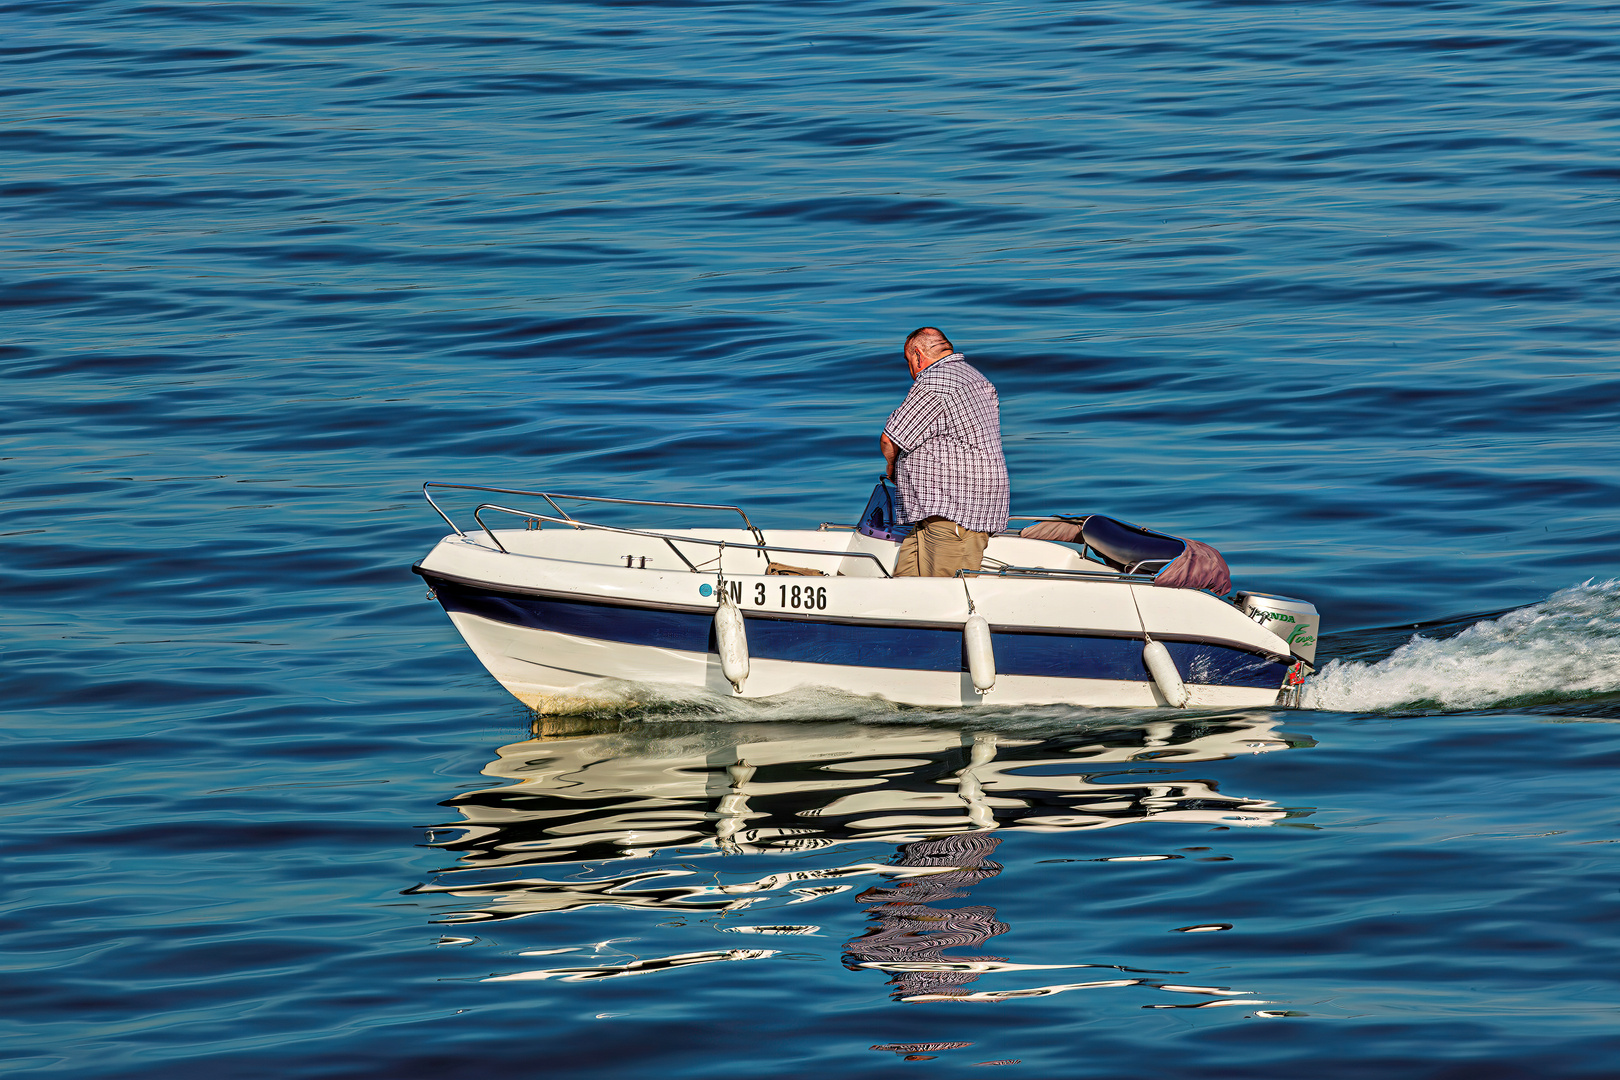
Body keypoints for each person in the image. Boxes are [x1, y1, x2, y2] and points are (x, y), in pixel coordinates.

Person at [880, 327, 1009, 578]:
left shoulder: (936, 380)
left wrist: (892, 467)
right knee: (904, 586)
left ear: (917, 355)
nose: (911, 371)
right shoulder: (973, 376)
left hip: (953, 509)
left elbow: (891, 438)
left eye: (909, 362)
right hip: (945, 509)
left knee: (945, 591)